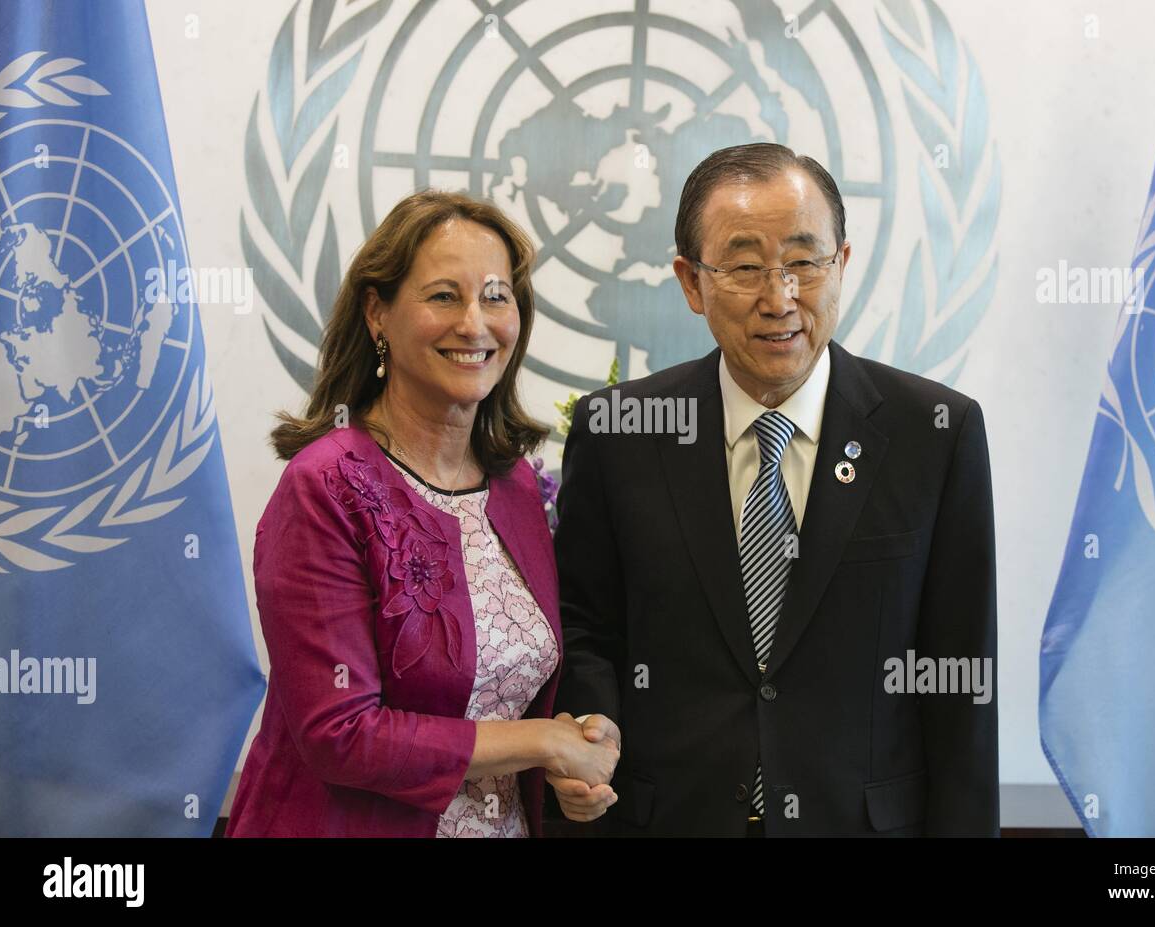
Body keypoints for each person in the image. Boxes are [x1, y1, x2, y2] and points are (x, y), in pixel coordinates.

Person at [548, 143, 998, 836]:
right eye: (746, 266)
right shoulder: (620, 434)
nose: (779, 296)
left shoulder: (934, 433)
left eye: (803, 262)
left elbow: (960, 677)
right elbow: (586, 627)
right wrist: (594, 727)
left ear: (842, 266)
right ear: (691, 283)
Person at [225, 189, 619, 837]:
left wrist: (571, 755)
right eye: (443, 295)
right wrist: (542, 741)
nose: (475, 322)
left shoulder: (515, 484)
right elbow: (340, 732)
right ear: (377, 313)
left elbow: (511, 683)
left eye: (496, 295)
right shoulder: (325, 485)